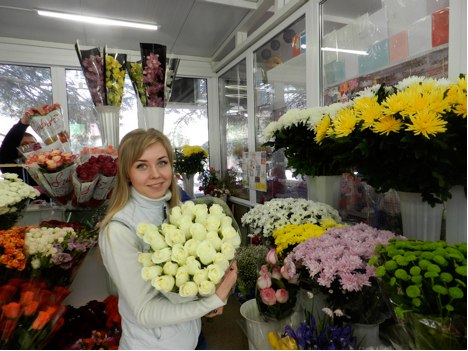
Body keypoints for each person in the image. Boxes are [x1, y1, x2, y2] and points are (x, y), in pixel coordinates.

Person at [98, 128, 238, 350]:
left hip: (191, 337)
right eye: (141, 165)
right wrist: (213, 300)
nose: (156, 174)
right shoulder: (119, 230)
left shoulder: (176, 210)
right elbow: (145, 312)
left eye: (162, 162)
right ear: (126, 173)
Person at [0, 113, 38, 185]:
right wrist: (22, 124)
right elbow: (8, 145)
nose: (30, 147)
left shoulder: (46, 165)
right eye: (25, 144)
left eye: (33, 143)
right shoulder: (9, 164)